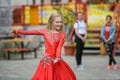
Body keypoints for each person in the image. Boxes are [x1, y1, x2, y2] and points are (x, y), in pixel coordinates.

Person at [11, 13, 76, 80]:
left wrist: (57, 58)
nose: (59, 24)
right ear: (51, 22)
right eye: (57, 22)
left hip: (56, 60)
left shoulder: (62, 34)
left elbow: (59, 47)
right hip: (46, 61)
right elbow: (30, 32)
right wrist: (17, 31)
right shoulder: (45, 31)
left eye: (61, 22)